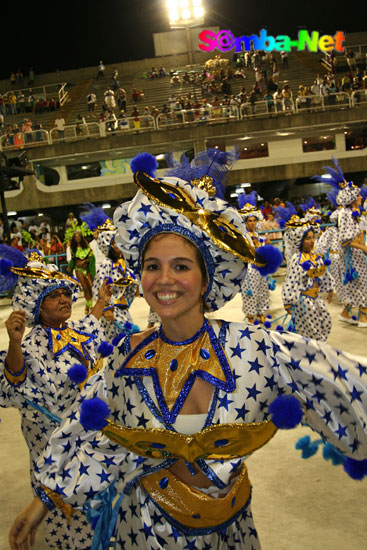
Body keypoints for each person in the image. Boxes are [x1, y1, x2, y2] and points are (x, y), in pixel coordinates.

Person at [10, 153, 367, 550]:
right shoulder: (124, 359)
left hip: (232, 531)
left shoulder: (254, 348)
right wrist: (40, 504)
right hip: (144, 529)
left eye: (181, 266)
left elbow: (341, 382)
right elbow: (92, 437)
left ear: (205, 279)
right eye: (151, 266)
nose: (164, 280)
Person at [0, 247, 113, 550]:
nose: (64, 299)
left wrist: (101, 302)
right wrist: (14, 342)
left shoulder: (74, 331)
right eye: (54, 296)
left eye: (65, 292)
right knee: (63, 501)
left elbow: (91, 326)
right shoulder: (33, 344)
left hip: (89, 438)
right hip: (52, 440)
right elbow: (16, 378)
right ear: (38, 306)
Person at [314, 158, 367, 327]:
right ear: (351, 198)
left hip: (355, 256)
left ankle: (346, 313)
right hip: (352, 257)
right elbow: (344, 240)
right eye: (357, 195)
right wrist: (363, 247)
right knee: (361, 284)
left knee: (355, 285)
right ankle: (363, 316)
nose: (360, 197)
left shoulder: (353, 213)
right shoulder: (345, 213)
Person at [81, 205, 140, 343]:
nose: (119, 245)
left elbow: (132, 280)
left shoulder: (122, 263)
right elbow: (98, 289)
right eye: (115, 242)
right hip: (112, 312)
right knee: (118, 343)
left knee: (126, 343)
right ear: (107, 245)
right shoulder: (106, 266)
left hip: (122, 309)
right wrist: (106, 308)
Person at [281, 218, 334, 341]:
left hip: (316, 298)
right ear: (300, 240)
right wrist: (288, 302)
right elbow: (291, 281)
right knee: (312, 329)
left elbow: (324, 273)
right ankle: (316, 351)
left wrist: (330, 288)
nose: (312, 241)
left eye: (312, 237)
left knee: (326, 322)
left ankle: (317, 347)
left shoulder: (315, 256)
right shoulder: (297, 259)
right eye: (308, 238)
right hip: (304, 301)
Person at [239, 191, 272, 324]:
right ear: (245, 222)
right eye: (249, 221)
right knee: (250, 292)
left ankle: (261, 311)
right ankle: (250, 315)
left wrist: (266, 243)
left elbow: (261, 245)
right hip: (250, 268)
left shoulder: (258, 235)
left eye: (254, 220)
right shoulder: (243, 236)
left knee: (263, 290)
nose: (252, 223)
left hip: (261, 267)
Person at [66, 229, 95, 313]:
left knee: (90, 288)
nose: (77, 237)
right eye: (76, 236)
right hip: (79, 270)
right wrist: (70, 267)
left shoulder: (87, 247)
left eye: (79, 236)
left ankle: (87, 304)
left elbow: (91, 258)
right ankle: (90, 306)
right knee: (85, 288)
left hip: (87, 269)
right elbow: (73, 260)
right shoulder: (73, 249)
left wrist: (89, 263)